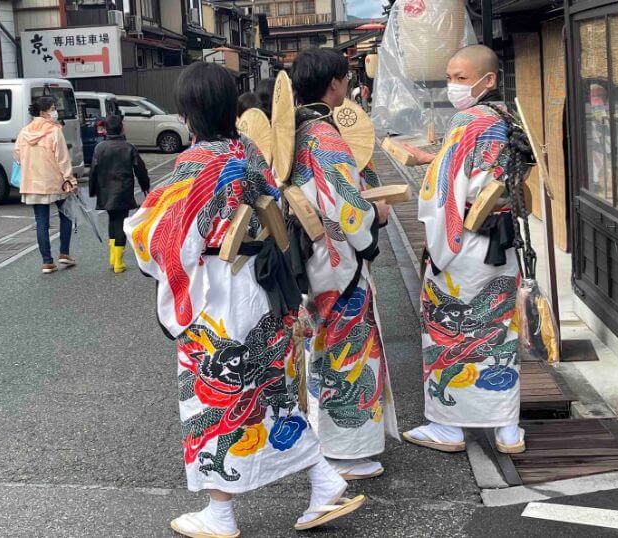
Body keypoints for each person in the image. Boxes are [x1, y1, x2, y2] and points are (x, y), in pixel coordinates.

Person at [126, 62, 364, 538]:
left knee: (215, 396)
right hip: (261, 286)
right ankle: (323, 479)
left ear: (187, 112)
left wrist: (138, 230)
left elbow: (162, 238)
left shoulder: (196, 163)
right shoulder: (249, 151)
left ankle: (220, 514)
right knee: (270, 390)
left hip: (218, 294)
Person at [403, 44, 526, 455]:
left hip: (467, 239)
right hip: (503, 236)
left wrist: (437, 244)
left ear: (487, 79)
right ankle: (508, 429)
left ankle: (448, 427)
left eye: (460, 77)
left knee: (446, 325)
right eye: (450, 77)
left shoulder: (467, 119)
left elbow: (442, 188)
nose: (453, 85)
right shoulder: (508, 116)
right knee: (498, 329)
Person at [289, 47, 395, 481]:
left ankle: (327, 437)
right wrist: (377, 216)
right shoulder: (325, 135)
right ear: (334, 83)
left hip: (311, 255)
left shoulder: (294, 130)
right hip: (336, 260)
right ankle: (348, 450)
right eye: (346, 81)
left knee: (324, 346)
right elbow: (348, 204)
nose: (348, 87)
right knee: (350, 348)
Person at [15, 96, 77, 274]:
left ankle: (47, 261)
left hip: (32, 183)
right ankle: (64, 253)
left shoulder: (24, 132)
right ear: (43, 112)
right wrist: (70, 180)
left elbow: (17, 156)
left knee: (41, 222)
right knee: (66, 215)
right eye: (52, 108)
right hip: (55, 182)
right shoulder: (54, 131)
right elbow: (63, 159)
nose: (55, 111)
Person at [88, 114, 150, 273]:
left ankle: (112, 257)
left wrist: (92, 189)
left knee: (112, 220)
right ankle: (118, 262)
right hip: (123, 189)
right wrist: (145, 187)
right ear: (121, 128)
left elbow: (93, 171)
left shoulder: (99, 148)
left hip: (105, 190)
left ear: (106, 129)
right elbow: (140, 169)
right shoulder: (129, 147)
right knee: (121, 222)